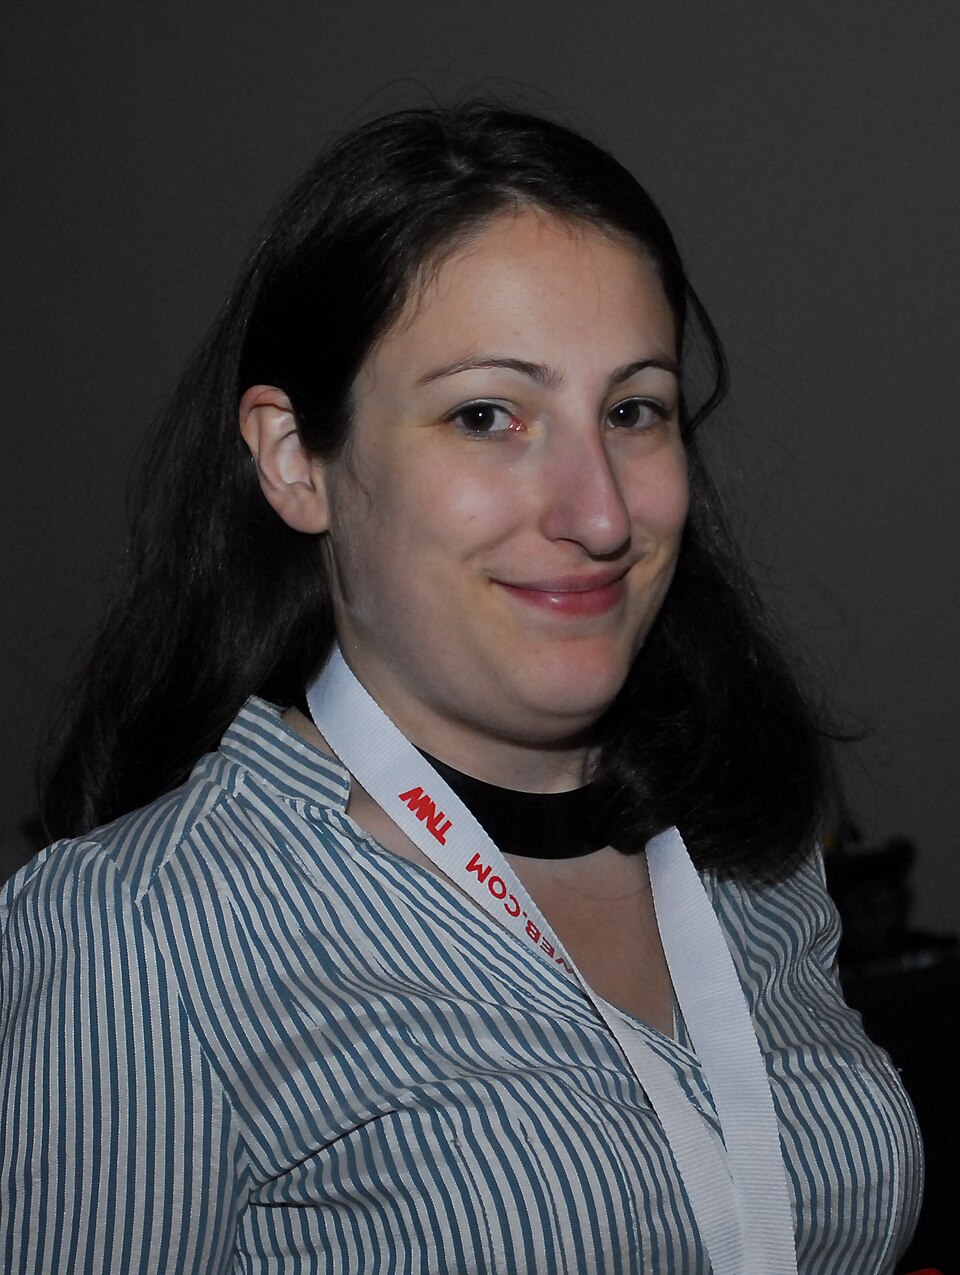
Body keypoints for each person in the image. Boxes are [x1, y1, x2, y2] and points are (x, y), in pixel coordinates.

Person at [0, 103, 921, 1273]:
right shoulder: (141, 938)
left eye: (632, 410)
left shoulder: (755, 860)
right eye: (487, 415)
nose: (599, 512)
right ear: (295, 459)